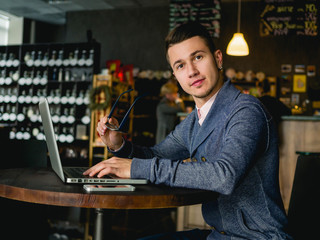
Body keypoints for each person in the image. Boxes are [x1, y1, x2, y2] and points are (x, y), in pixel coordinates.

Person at [84, 21, 292, 240]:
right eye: (180, 65)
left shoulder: (247, 110)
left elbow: (224, 176)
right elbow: (156, 156)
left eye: (198, 57)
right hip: (219, 236)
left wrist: (136, 168)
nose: (192, 71)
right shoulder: (194, 121)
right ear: (176, 76)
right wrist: (119, 145)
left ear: (218, 59)